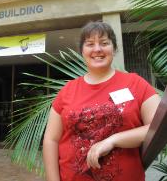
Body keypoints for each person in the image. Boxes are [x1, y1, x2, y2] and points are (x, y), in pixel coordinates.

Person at [43, 21, 161, 181]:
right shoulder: (67, 91)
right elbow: (51, 139)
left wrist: (113, 140)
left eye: (104, 43)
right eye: (90, 44)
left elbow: (159, 127)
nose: (97, 49)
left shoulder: (135, 83)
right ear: (82, 51)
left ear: (114, 48)